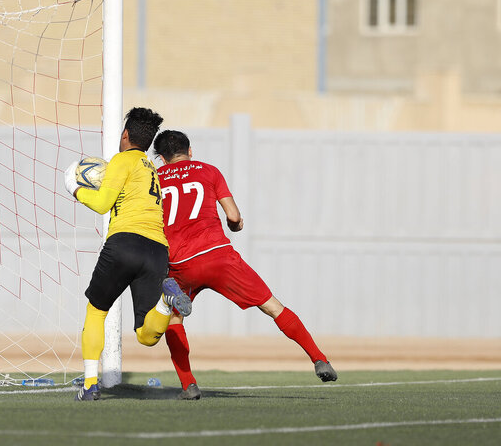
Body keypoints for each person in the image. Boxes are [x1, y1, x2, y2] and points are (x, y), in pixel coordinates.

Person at [152, 130, 337, 400]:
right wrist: (235, 225)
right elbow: (233, 216)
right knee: (273, 306)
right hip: (218, 255)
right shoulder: (209, 171)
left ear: (160, 158)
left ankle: (188, 385)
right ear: (190, 151)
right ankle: (320, 359)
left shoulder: (155, 180)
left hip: (180, 264)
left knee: (174, 318)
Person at [64, 108, 192, 401]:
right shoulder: (151, 169)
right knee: (147, 336)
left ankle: (90, 385)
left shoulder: (122, 161)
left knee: (97, 310)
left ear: (125, 135)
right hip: (158, 250)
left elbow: (102, 203)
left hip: (125, 243)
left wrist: (74, 187)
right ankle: (165, 300)